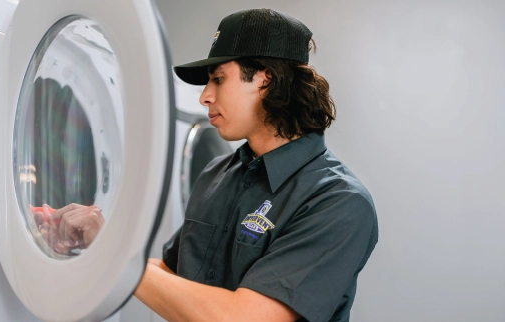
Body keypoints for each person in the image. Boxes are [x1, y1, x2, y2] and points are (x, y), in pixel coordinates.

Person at [133, 8, 378, 322]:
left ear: (266, 80)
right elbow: (168, 271)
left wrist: (123, 269)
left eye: (218, 79)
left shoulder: (339, 202)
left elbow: (246, 317)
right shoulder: (216, 174)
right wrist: (99, 245)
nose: (204, 97)